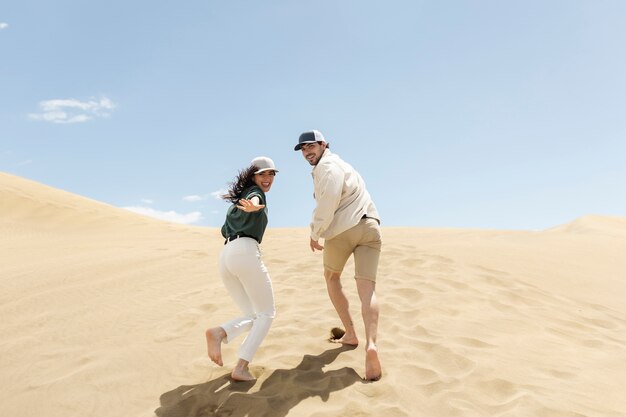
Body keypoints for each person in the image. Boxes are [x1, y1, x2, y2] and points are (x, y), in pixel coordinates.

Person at [294, 130, 383, 381]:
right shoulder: (344, 164)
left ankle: (352, 334)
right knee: (368, 288)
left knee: (332, 277)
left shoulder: (328, 168)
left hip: (344, 229)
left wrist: (315, 232)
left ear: (323, 144)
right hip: (371, 226)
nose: (307, 152)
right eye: (302, 149)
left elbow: (327, 203)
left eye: (311, 146)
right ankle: (371, 344)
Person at [205, 156, 278, 381]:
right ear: (252, 176)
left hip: (226, 255)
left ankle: (220, 332)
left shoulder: (236, 202)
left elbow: (224, 230)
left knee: (253, 314)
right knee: (267, 313)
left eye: (271, 174)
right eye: (262, 174)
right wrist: (255, 206)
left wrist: (249, 210)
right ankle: (241, 367)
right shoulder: (254, 194)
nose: (267, 179)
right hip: (245, 251)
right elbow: (256, 200)